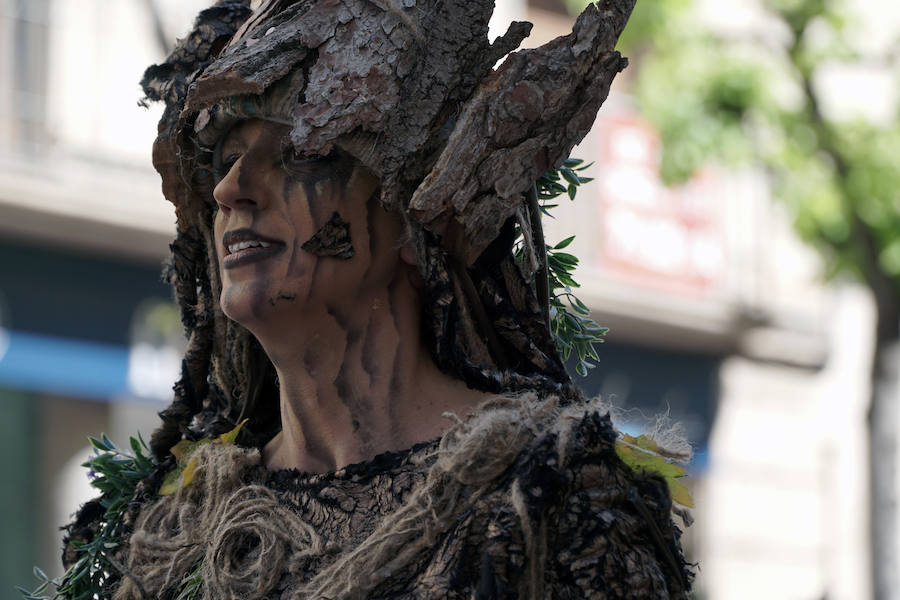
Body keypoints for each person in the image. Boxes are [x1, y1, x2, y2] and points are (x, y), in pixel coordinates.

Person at [62, 0, 694, 598]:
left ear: (417, 217)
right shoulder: (179, 531)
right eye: (226, 160)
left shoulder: (550, 496)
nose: (232, 190)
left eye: (300, 153)